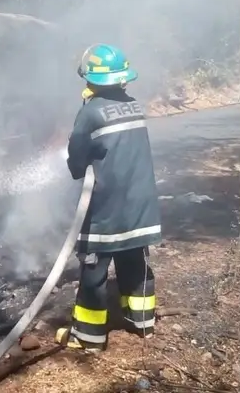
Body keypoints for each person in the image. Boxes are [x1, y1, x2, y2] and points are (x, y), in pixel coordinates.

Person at [55, 43, 163, 353]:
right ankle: (143, 324)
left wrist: (78, 167)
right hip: (140, 209)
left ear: (92, 80)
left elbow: (77, 155)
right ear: (122, 79)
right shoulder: (135, 105)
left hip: (106, 210)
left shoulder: (90, 113)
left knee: (93, 269)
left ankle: (87, 337)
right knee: (133, 261)